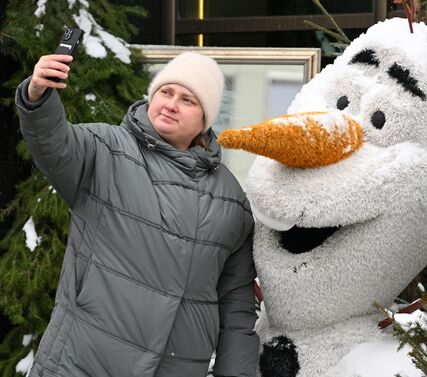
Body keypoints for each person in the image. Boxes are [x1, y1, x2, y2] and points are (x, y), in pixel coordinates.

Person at [16, 51, 259, 377]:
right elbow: (54, 143)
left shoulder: (231, 200)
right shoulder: (105, 150)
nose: (171, 104)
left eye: (188, 100)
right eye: (166, 92)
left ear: (205, 120)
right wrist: (38, 97)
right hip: (80, 362)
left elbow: (237, 309)